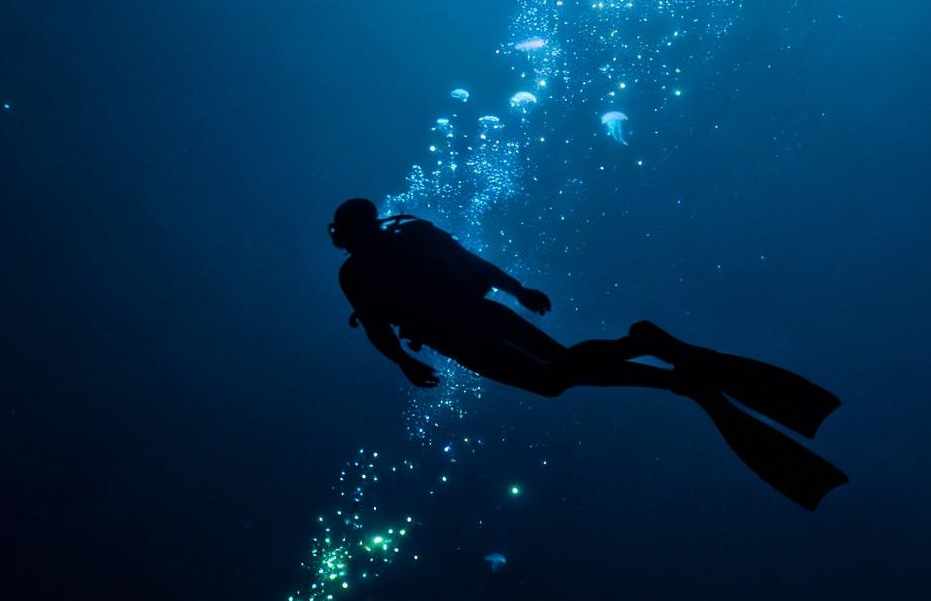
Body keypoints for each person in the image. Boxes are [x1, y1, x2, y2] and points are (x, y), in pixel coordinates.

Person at [327, 197, 850, 510]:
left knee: (555, 379)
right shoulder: (399, 244)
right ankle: (666, 370)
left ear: (347, 234)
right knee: (566, 366)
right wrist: (517, 292)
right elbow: (471, 266)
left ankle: (654, 356)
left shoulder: (362, 270)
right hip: (484, 320)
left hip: (468, 335)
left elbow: (391, 318)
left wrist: (406, 361)